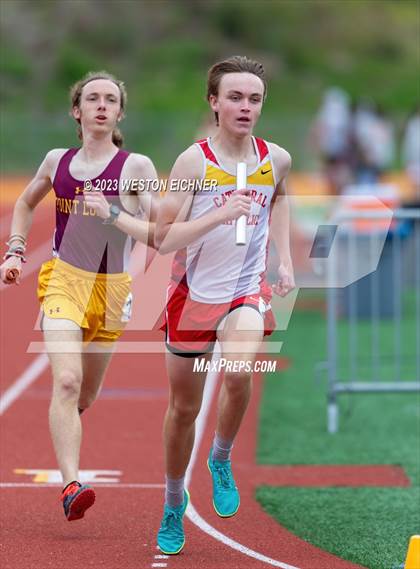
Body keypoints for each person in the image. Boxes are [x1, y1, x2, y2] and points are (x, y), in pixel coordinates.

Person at [0, 71, 158, 521]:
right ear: (78, 110)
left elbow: (160, 230)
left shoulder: (136, 167)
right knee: (66, 382)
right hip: (63, 281)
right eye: (93, 98)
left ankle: (66, 419)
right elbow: (27, 203)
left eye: (111, 99)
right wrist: (14, 250)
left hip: (112, 290)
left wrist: (114, 214)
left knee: (85, 394)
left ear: (120, 113)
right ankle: (71, 485)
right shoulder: (56, 161)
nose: (102, 105)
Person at [154, 55, 295, 555]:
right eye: (235, 97)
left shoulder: (275, 157)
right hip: (193, 297)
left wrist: (283, 261)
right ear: (213, 102)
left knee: (239, 372)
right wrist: (218, 217)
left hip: (244, 290)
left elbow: (278, 198)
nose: (245, 106)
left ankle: (221, 456)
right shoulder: (194, 162)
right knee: (183, 408)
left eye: (254, 98)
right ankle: (174, 502)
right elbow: (163, 239)